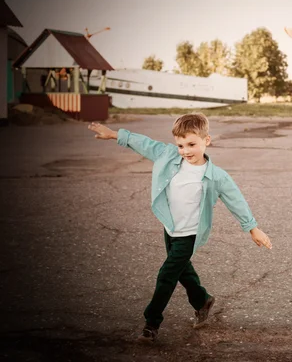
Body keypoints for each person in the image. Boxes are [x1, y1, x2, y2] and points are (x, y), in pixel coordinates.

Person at [87, 113, 272, 342]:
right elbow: (144, 143)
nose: (185, 151)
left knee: (167, 274)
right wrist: (115, 134)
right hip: (170, 227)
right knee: (182, 271)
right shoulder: (168, 156)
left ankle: (151, 323)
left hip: (190, 234)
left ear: (207, 140)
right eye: (181, 145)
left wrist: (252, 228)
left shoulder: (216, 176)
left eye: (192, 144)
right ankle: (202, 300)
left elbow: (236, 201)